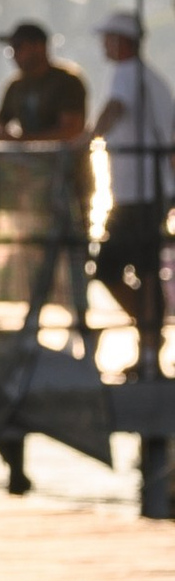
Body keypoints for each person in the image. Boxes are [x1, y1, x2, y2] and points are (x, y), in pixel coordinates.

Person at [89, 21, 173, 360]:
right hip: (148, 187)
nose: (104, 46)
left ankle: (149, 331)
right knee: (146, 266)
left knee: (110, 266)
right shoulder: (154, 80)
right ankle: (149, 336)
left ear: (122, 41)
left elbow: (115, 107)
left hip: (137, 190)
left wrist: (88, 138)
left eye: (107, 39)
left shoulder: (127, 73)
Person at [0, 20, 88, 146]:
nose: (14, 55)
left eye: (18, 47)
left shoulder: (67, 82)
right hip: (26, 163)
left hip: (64, 162)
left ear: (39, 47)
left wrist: (23, 141)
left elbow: (71, 131)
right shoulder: (15, 86)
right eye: (11, 48)